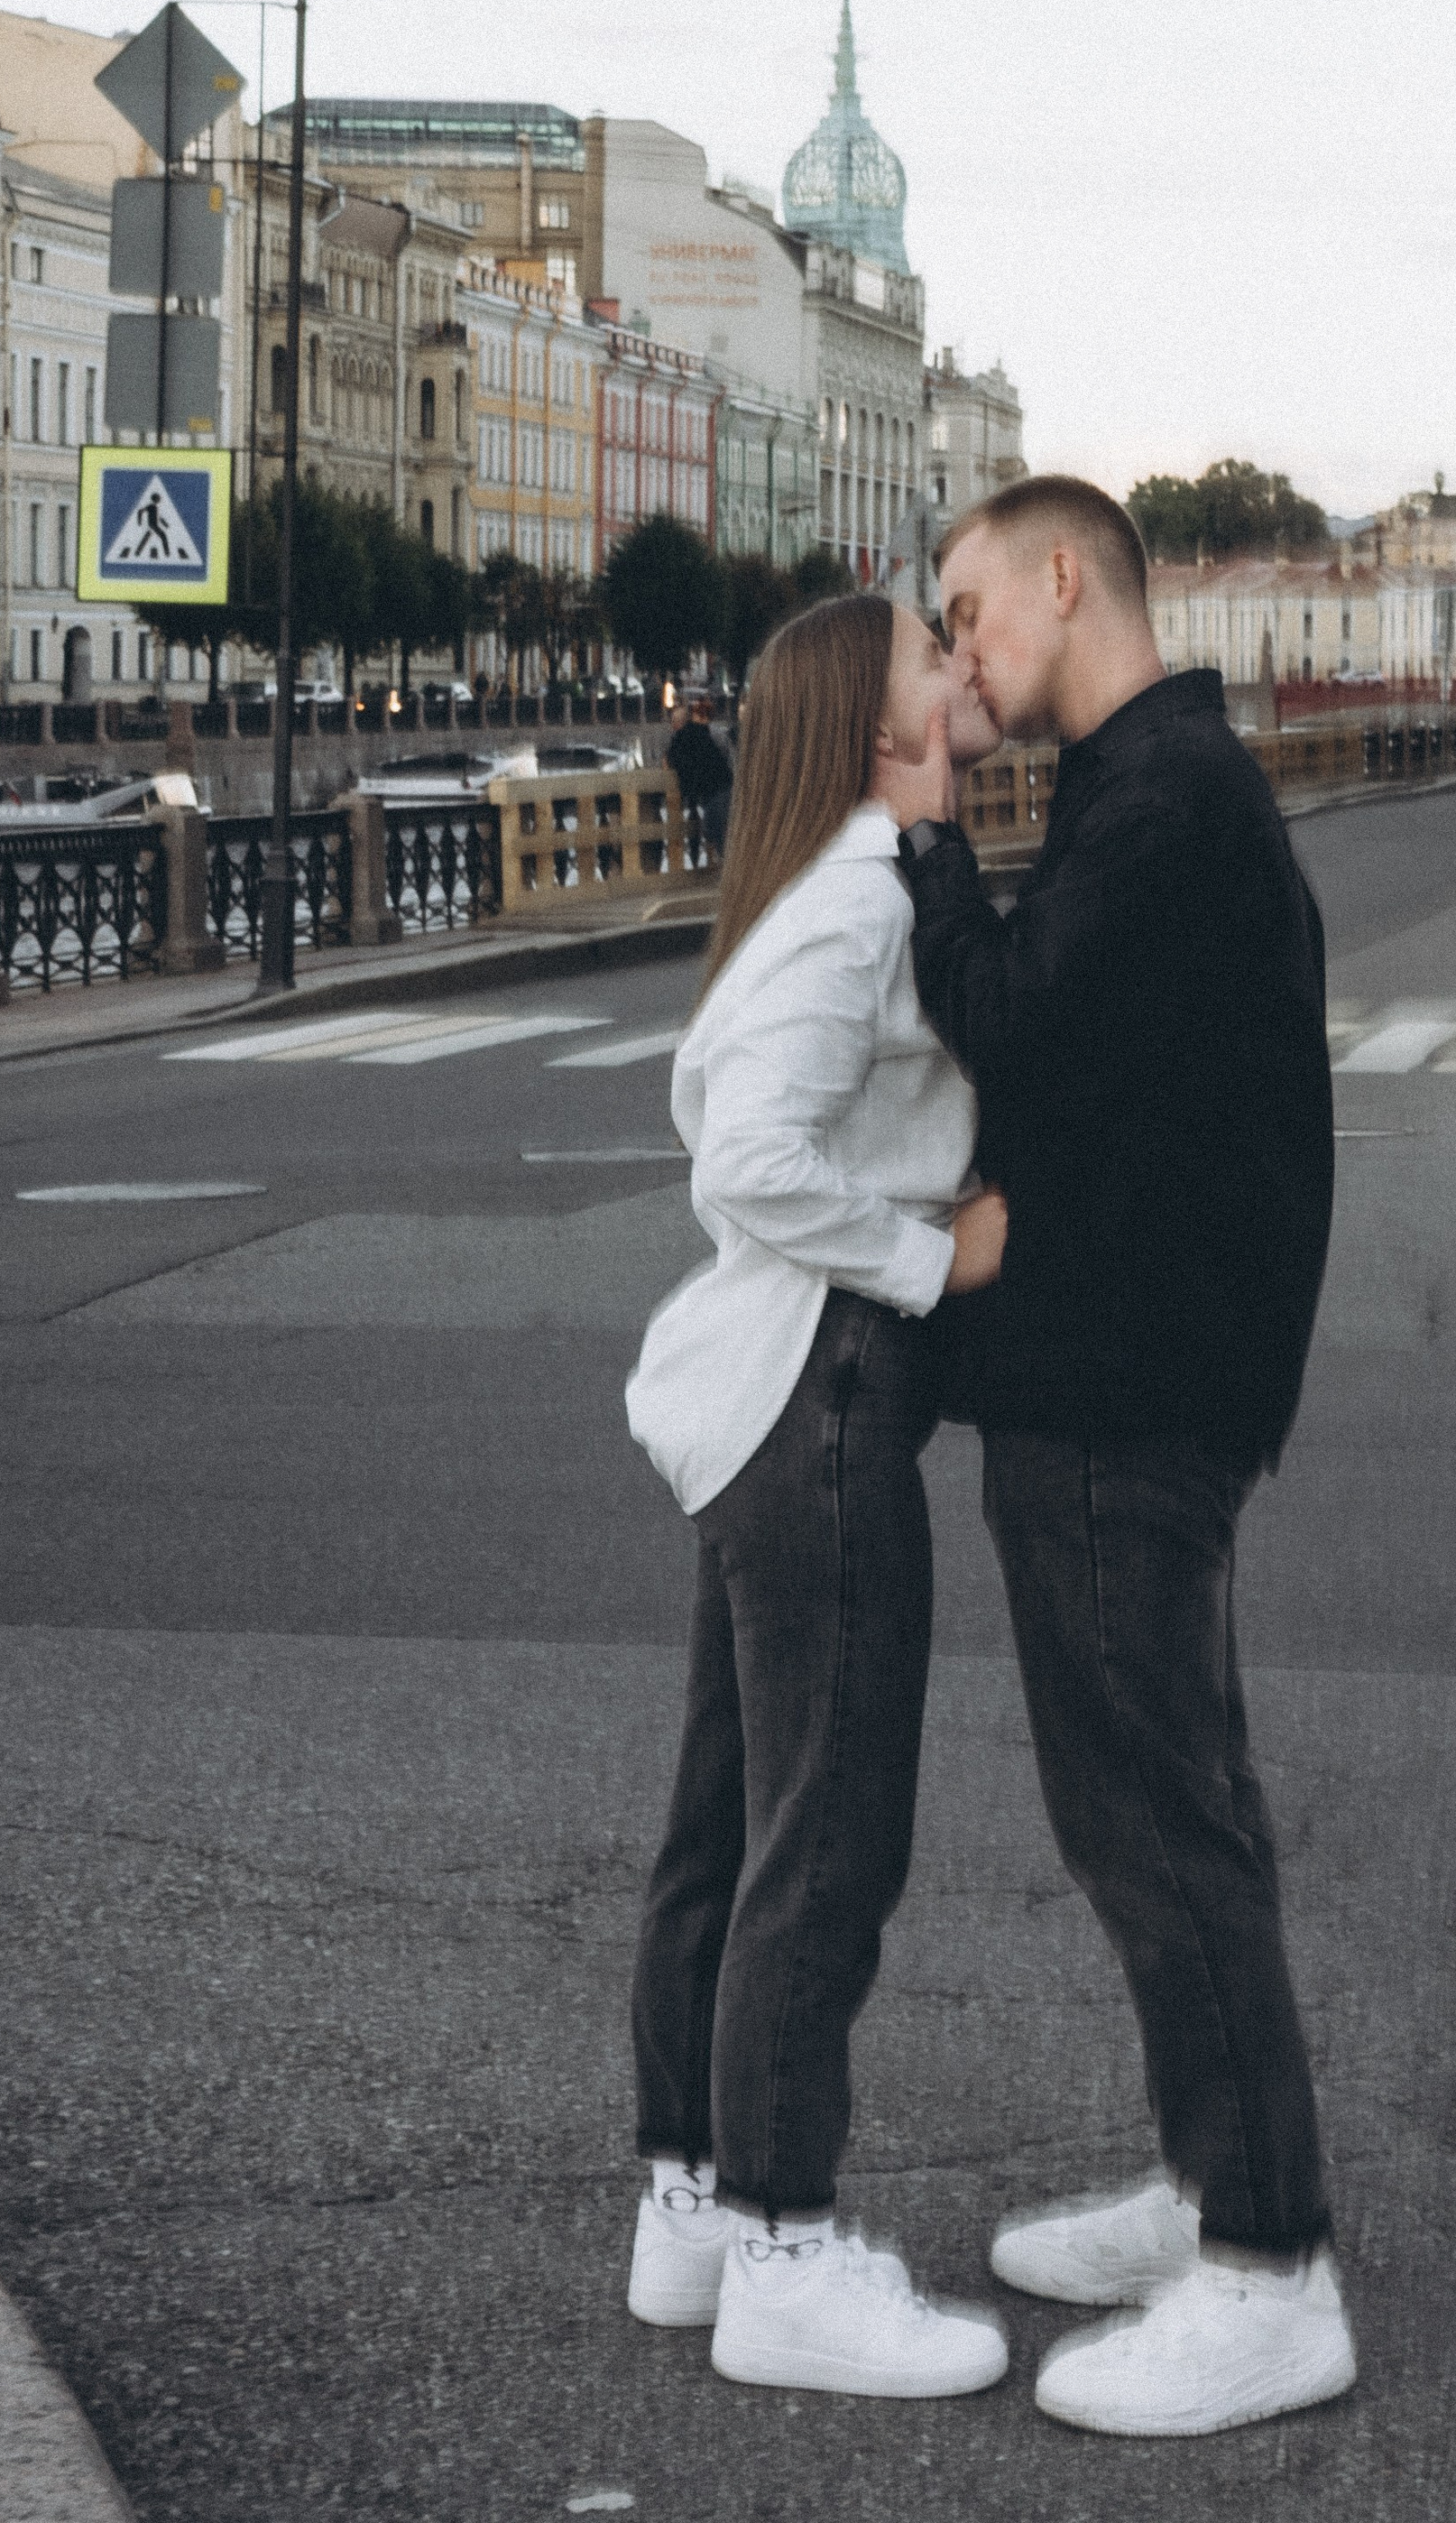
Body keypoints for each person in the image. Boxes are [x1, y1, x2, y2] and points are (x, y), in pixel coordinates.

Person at [882, 476, 1356, 2441]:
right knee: (1165, 1811)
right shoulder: (1162, 784)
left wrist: (920, 838)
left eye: (971, 609)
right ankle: (1203, 2187)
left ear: (1061, 578)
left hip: (1121, 1393)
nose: (963, 649)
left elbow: (1003, 1012)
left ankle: (1262, 2271)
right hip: (1140, 1375)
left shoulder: (1158, 803)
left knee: (1157, 1828)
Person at [624, 594, 1012, 2399]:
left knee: (728, 1824)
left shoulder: (824, 883)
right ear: (877, 720)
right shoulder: (863, 895)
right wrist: (933, 1253)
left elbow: (715, 1099)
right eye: (936, 650)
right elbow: (751, 1150)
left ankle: (695, 2207)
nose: (963, 667)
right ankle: (783, 2247)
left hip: (764, 1404)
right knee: (825, 1836)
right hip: (823, 1398)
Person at [666, 701, 734, 868]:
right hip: (725, 787)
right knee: (725, 834)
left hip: (713, 793)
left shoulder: (682, 739)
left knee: (717, 833)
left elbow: (671, 762)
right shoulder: (706, 732)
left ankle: (732, 873)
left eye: (674, 722)